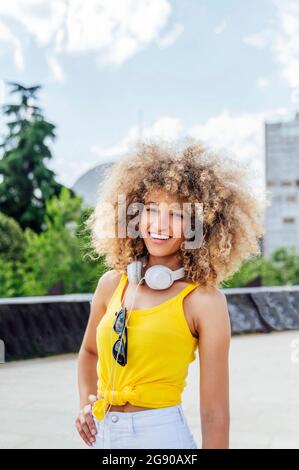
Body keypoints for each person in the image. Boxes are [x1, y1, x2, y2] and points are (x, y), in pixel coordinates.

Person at [75, 139, 266, 449]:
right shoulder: (112, 284)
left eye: (177, 214)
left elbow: (215, 413)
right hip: (103, 435)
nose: (159, 224)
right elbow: (89, 353)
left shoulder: (204, 301)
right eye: (150, 208)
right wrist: (87, 402)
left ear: (201, 224)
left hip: (161, 438)